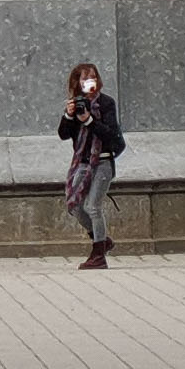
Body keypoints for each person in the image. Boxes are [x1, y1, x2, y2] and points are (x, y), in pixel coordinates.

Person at [59, 62, 124, 270]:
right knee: (75, 205)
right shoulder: (77, 104)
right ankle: (102, 240)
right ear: (77, 83)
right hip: (82, 164)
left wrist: (88, 120)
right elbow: (63, 134)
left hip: (103, 161)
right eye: (85, 79)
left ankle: (98, 256)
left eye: (93, 78)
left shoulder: (105, 104)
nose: (90, 82)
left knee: (93, 207)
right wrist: (69, 115)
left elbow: (111, 134)